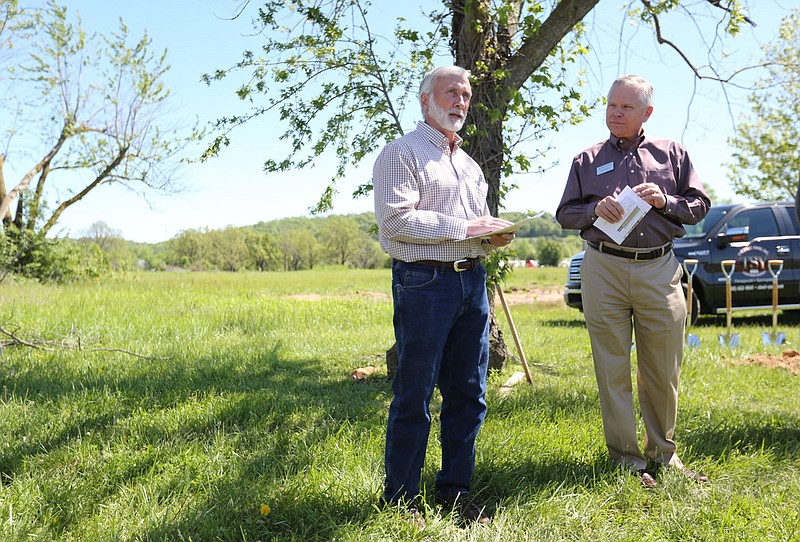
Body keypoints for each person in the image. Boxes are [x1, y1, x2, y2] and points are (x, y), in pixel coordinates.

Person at [373, 65, 514, 526]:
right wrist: (467, 229)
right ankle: (401, 500)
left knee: (469, 393)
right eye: (451, 92)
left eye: (467, 95)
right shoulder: (402, 153)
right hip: (423, 284)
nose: (460, 101)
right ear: (425, 100)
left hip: (472, 282)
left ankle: (456, 494)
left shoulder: (470, 166)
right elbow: (394, 222)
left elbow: (478, 223)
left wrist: (492, 234)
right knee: (414, 395)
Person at [556, 75, 711, 488]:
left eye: (626, 107)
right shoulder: (586, 159)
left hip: (659, 269)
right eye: (611, 105)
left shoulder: (672, 154)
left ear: (647, 112)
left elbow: (698, 207)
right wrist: (593, 210)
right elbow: (565, 214)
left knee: (662, 368)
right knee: (612, 368)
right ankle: (627, 460)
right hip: (603, 268)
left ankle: (663, 453)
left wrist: (665, 201)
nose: (616, 113)